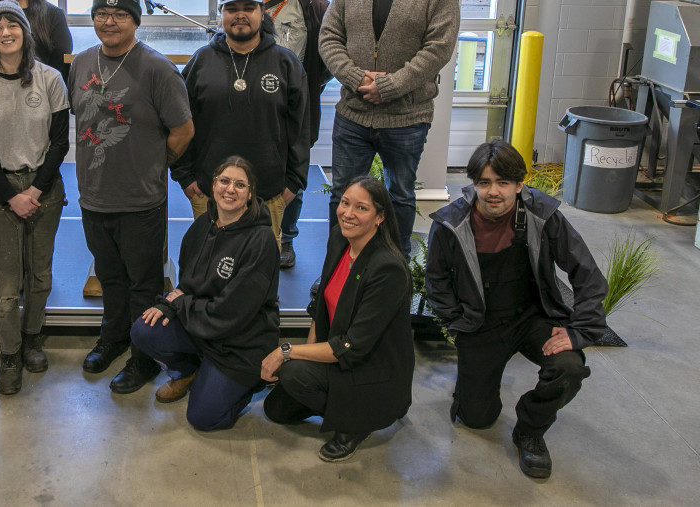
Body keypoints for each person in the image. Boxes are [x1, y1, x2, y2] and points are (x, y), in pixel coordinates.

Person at [424, 140, 608, 479]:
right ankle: (470, 389)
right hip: (480, 325)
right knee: (477, 419)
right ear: (474, 184)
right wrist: (456, 323)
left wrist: (578, 331)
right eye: (484, 183)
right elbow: (435, 280)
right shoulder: (451, 224)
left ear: (520, 184)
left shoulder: (543, 215)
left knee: (569, 367)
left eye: (503, 182)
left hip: (532, 317)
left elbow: (588, 275)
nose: (493, 192)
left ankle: (531, 430)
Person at [69, 0, 194, 394]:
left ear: (136, 21)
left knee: (144, 283)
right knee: (109, 276)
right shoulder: (82, 62)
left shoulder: (157, 68)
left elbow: (182, 130)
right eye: (102, 14)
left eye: (120, 14)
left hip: (141, 199)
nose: (110, 21)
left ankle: (145, 355)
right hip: (94, 196)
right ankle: (114, 336)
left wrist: (154, 165)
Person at [319, 0, 460, 259]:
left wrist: (391, 85)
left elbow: (438, 50)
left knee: (399, 195)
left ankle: (393, 268)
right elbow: (328, 39)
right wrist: (356, 77)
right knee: (343, 195)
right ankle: (337, 267)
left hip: (406, 119)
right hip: (352, 116)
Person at [262, 175, 414, 463]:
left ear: (380, 217)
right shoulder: (340, 239)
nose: (348, 213)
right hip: (340, 355)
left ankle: (357, 423)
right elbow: (322, 305)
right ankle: (338, 404)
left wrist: (288, 351)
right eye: (345, 203)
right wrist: (305, 357)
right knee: (277, 410)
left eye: (361, 208)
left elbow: (351, 346)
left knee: (292, 372)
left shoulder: (387, 269)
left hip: (371, 369)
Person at [0, 0, 69, 395]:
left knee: (40, 275)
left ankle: (32, 338)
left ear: (25, 32)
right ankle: (9, 354)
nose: (5, 32)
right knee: (8, 283)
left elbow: (59, 143)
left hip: (45, 189)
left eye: (13, 25)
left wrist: (36, 190)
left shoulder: (50, 79)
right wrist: (11, 196)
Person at [132, 156, 280, 430]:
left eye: (239, 184)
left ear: (250, 194)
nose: (230, 190)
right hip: (204, 329)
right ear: (213, 185)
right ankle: (190, 370)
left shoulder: (261, 241)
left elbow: (232, 312)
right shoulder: (201, 228)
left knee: (203, 418)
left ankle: (245, 384)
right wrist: (169, 304)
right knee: (145, 328)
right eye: (224, 181)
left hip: (240, 344)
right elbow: (187, 284)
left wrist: (181, 303)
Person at [173, 0, 309, 249]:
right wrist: (185, 177)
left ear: (262, 12)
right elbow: (181, 124)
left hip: (268, 193)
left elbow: (302, 128)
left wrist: (293, 184)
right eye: (232, 9)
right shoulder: (201, 62)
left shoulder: (286, 63)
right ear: (222, 14)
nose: (240, 15)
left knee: (259, 277)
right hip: (210, 192)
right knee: (208, 272)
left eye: (249, 7)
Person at [259, 0, 331, 269]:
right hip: (251, 107)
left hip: (295, 111)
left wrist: (308, 86)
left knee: (294, 176)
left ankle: (285, 239)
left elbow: (333, 56)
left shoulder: (315, 6)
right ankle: (252, 234)